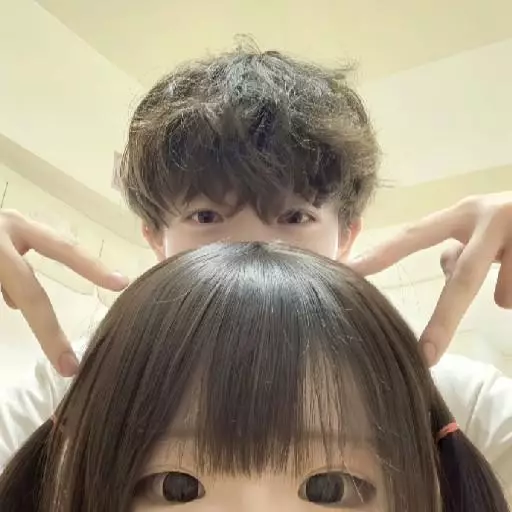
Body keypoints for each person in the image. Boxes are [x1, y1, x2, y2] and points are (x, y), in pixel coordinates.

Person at [0, 45, 511, 490]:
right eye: (206, 216)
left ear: (346, 237)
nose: (252, 251)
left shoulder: (447, 398)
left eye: (294, 217)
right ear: (155, 237)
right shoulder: (76, 387)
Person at [0, 242, 509, 511]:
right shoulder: (78, 381)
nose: (251, 234)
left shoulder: (453, 395)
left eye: (327, 488)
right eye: (177, 488)